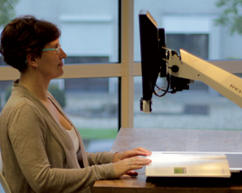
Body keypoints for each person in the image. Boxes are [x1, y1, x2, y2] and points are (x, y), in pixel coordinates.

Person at [0, 15, 152, 193]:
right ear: (33, 59)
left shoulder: (45, 98)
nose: (63, 54)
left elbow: (70, 158)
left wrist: (115, 158)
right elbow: (42, 180)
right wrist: (109, 170)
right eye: (55, 48)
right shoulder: (23, 110)